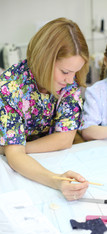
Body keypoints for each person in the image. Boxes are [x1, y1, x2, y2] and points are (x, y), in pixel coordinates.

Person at [0, 18, 89, 201]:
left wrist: (17, 148)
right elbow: (14, 159)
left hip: (38, 157)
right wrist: (57, 181)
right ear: (44, 60)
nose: (71, 80)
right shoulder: (11, 86)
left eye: (75, 72)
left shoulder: (69, 82)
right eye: (65, 72)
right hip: (14, 169)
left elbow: (65, 139)